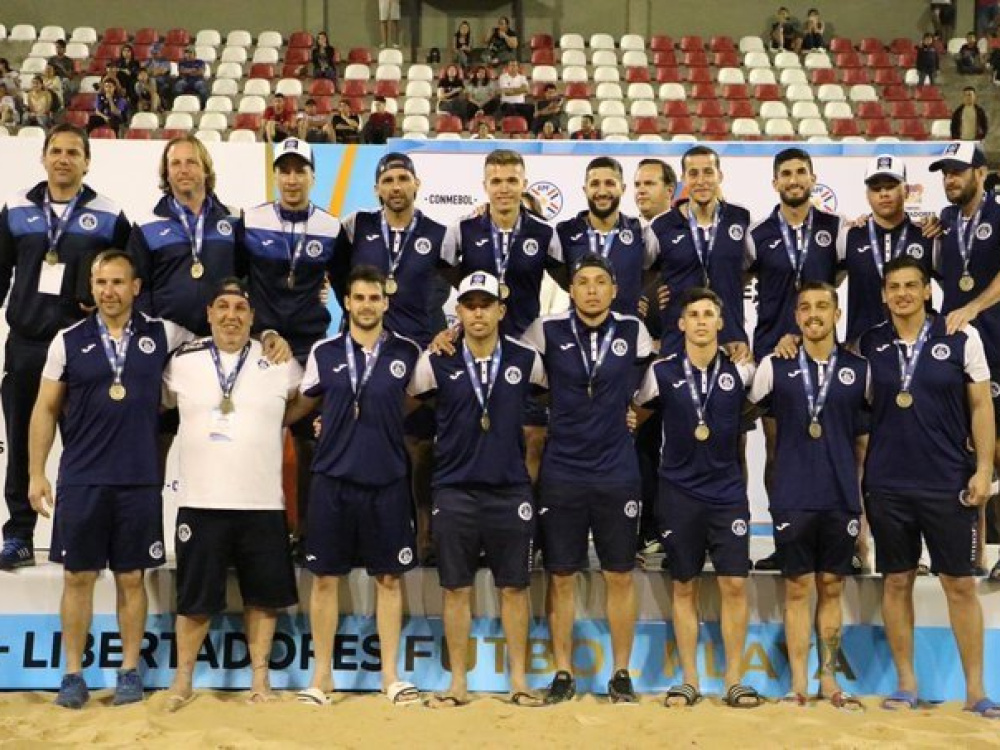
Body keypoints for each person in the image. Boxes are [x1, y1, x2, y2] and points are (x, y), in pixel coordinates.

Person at [28, 250, 189, 708]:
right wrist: (36, 473)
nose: (109, 291)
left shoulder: (164, 333)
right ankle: (72, 674)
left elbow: (217, 344)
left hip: (138, 480)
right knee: (78, 577)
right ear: (92, 288)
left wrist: (270, 338)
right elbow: (44, 408)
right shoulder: (67, 340)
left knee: (131, 578)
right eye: (101, 283)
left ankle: (129, 671)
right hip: (83, 479)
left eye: (118, 282)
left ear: (136, 287)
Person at [857, 256, 998, 717]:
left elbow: (981, 406)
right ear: (884, 294)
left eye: (910, 285)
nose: (902, 294)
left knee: (959, 585)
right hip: (888, 485)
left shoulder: (960, 335)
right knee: (897, 581)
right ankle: (906, 685)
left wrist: (983, 469)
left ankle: (975, 691)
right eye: (894, 286)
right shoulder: (870, 344)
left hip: (947, 482)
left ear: (926, 291)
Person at [408, 271, 547, 708]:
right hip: (455, 490)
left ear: (501, 310)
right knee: (456, 589)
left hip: (510, 491)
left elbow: (545, 406)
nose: (478, 313)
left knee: (515, 588)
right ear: (459, 312)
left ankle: (519, 681)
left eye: (486, 304)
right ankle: (457, 684)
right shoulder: (436, 360)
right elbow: (407, 407)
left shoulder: (527, 359)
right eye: (470, 305)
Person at [163, 279, 302, 711]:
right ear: (208, 314)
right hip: (202, 501)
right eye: (222, 307)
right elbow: (161, 404)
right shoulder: (182, 361)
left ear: (252, 317)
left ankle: (260, 679)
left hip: (262, 503)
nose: (231, 315)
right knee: (194, 600)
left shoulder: (278, 360)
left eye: (240, 308)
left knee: (263, 598)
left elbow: (302, 402)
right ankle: (183, 680)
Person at [286, 265, 421, 705]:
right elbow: (301, 406)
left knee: (389, 579)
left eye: (374, 298)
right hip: (333, 481)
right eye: (359, 297)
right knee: (325, 579)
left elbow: (414, 401)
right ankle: (321, 677)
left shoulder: (407, 352)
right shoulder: (324, 351)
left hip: (387, 481)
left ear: (386, 302)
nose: (366, 305)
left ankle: (390, 677)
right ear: (346, 302)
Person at [522, 254, 653, 704]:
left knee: (620, 574)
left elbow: (651, 387)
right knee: (561, 575)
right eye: (582, 282)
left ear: (614, 289)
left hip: (617, 470)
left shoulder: (633, 331)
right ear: (571, 289)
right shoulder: (546, 330)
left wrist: (633, 414)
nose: (592, 290)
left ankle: (621, 673)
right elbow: (516, 370)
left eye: (600, 281)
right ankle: (563, 672)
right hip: (563, 468)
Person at [0, 124, 131, 571]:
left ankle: (81, 535)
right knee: (22, 442)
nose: (63, 159)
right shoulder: (16, 208)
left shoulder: (110, 214)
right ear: (43, 157)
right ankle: (18, 534)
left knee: (85, 446)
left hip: (84, 348)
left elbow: (128, 277)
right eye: (56, 151)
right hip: (26, 344)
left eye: (73, 152)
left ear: (87, 161)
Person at [634, 287, 760, 709]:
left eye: (709, 314)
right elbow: (638, 415)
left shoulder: (742, 371)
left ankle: (734, 680)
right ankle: (689, 679)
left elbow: (754, 411)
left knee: (734, 585)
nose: (702, 321)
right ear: (682, 323)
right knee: (684, 586)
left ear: (721, 322)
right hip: (678, 493)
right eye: (694, 314)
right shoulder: (662, 372)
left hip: (727, 494)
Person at [748, 282, 869, 708]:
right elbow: (738, 414)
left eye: (822, 306)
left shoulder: (860, 370)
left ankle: (829, 680)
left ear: (837, 314)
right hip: (792, 496)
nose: (813, 314)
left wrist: (865, 517)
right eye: (805, 307)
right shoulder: (774, 366)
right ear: (796, 316)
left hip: (840, 496)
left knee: (832, 588)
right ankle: (798, 683)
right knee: (798, 589)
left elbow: (867, 441)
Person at [333, 153, 448, 562]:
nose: (396, 187)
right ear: (376, 188)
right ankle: (360, 534)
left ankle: (425, 536)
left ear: (417, 185)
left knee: (419, 447)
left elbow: (449, 283)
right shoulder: (357, 226)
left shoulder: (439, 233)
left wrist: (436, 332)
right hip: (366, 353)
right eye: (388, 180)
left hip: (416, 354)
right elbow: (338, 276)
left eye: (403, 179)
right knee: (363, 440)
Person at [746, 147, 847, 570]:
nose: (793, 179)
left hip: (824, 353)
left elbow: (841, 274)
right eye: (785, 173)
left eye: (800, 172)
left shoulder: (835, 228)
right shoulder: (757, 233)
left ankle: (840, 542)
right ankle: (785, 540)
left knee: (833, 446)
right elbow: (730, 278)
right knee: (778, 450)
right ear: (775, 182)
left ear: (812, 178)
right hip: (775, 352)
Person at [238, 138, 340, 550]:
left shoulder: (331, 227)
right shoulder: (251, 220)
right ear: (276, 175)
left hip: (310, 347)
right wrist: (260, 332)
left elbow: (349, 286)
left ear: (314, 177)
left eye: (301, 171)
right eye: (285, 170)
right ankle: (255, 534)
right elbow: (235, 283)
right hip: (261, 345)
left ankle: (306, 534)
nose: (292, 179)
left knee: (309, 443)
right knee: (252, 438)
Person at [929, 141, 1000, 580]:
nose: (951, 179)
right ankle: (976, 553)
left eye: (958, 171)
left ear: (981, 173)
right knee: (967, 452)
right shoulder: (947, 220)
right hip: (958, 349)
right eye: (946, 173)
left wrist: (974, 306)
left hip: (997, 343)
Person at [651, 146, 752, 357]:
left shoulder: (741, 218)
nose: (701, 181)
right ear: (683, 179)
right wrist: (654, 296)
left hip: (730, 341)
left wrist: (731, 283)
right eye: (693, 173)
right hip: (677, 343)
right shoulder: (661, 226)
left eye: (708, 172)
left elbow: (756, 266)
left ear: (720, 176)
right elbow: (642, 272)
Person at [843, 155, 936, 344]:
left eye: (891, 186)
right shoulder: (849, 236)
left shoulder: (927, 235)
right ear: (867, 195)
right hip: (862, 348)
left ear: (906, 191)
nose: (883, 193)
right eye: (876, 188)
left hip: (918, 347)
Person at [555, 156, 657, 318]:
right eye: (595, 184)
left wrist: (639, 294)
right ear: (585, 190)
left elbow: (654, 270)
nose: (602, 192)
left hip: (627, 329)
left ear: (623, 188)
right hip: (578, 329)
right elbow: (558, 274)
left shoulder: (641, 232)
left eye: (610, 183)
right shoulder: (564, 232)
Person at [634, 159, 677, 228]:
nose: (641, 191)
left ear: (669, 191)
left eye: (649, 184)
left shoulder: (689, 230)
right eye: (637, 185)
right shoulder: (623, 230)